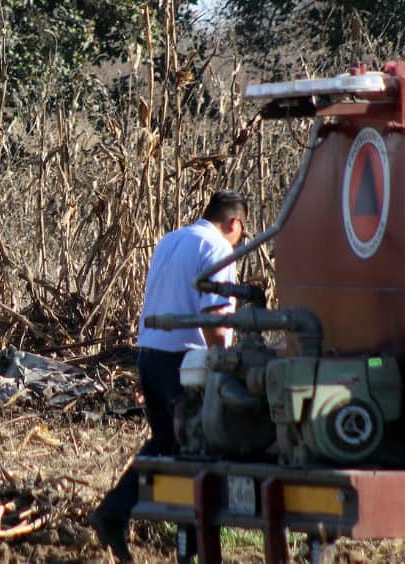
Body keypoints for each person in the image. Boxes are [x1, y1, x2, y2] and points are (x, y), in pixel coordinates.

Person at [90, 189, 247, 562]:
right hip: (185, 363)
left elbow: (153, 302)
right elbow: (215, 316)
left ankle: (121, 513)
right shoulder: (218, 248)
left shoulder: (170, 240)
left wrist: (144, 369)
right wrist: (224, 366)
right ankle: (189, 543)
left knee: (166, 442)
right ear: (234, 223)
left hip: (151, 354)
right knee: (199, 450)